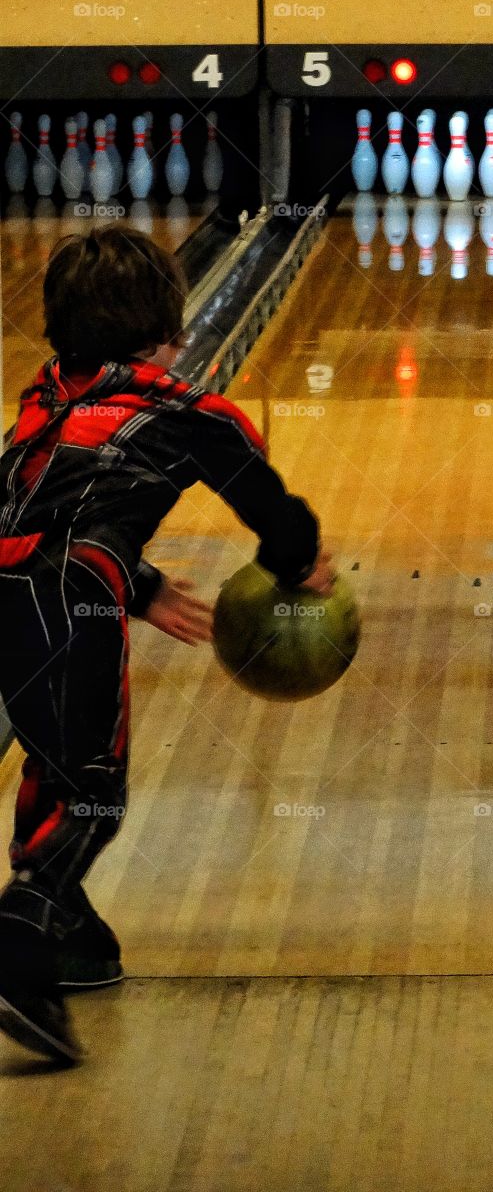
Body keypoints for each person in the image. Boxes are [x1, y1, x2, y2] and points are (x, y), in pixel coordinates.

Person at [0, 226, 333, 1062]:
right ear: (169, 336)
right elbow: (270, 509)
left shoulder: (44, 394)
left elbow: (43, 508)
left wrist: (140, 586)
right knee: (95, 790)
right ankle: (22, 935)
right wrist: (302, 565)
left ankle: (70, 931)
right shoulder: (191, 413)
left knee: (54, 756)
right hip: (69, 602)